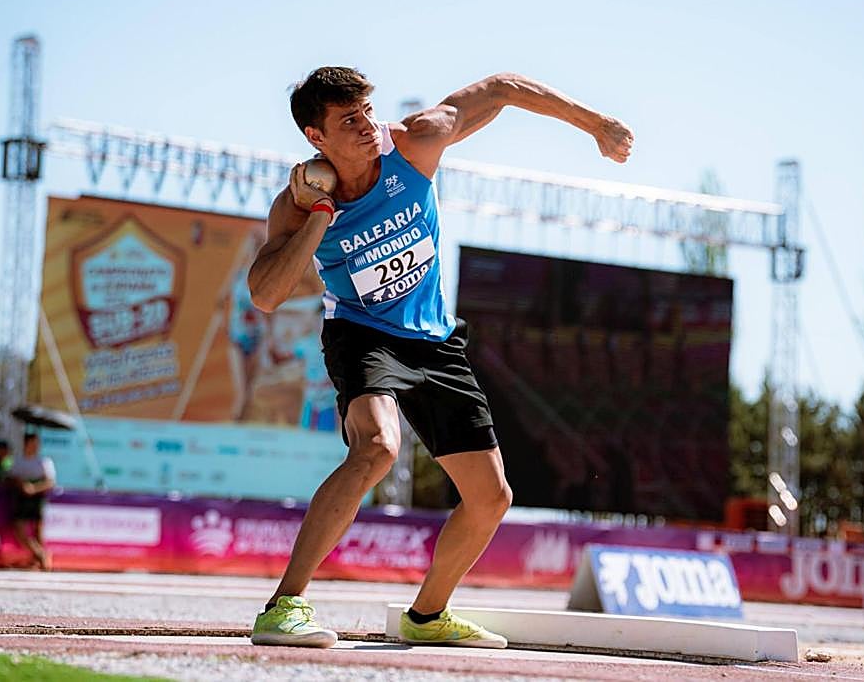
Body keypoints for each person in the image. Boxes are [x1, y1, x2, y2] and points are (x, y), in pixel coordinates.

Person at [247, 68, 633, 648]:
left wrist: (596, 124)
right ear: (315, 136)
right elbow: (267, 293)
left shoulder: (415, 142)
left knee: (491, 497)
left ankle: (427, 616)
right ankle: (284, 605)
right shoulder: (298, 204)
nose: (368, 126)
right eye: (349, 120)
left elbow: (501, 88)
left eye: (367, 111)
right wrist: (321, 214)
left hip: (434, 339)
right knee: (377, 447)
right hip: (362, 332)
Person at [8, 432, 57, 570]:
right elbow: (10, 477)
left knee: (38, 531)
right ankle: (40, 555)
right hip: (21, 498)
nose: (36, 447)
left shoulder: (44, 461)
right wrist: (21, 484)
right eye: (33, 443)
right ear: (26, 444)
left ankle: (38, 560)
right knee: (19, 528)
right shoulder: (17, 461)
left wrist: (34, 488)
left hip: (37, 497)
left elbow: (50, 482)